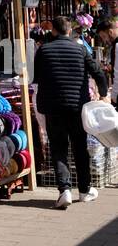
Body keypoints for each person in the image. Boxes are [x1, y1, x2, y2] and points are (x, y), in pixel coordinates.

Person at [34, 14, 110, 208]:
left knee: (59, 148)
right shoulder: (80, 49)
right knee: (79, 148)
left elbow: (37, 77)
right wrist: (103, 93)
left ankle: (64, 190)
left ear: (53, 30)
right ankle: (84, 190)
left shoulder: (44, 50)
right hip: (77, 107)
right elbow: (98, 72)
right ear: (69, 30)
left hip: (53, 107)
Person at [95, 18, 118, 104]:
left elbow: (117, 74)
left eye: (104, 37)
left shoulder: (116, 46)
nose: (104, 41)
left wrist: (114, 96)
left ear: (110, 32)